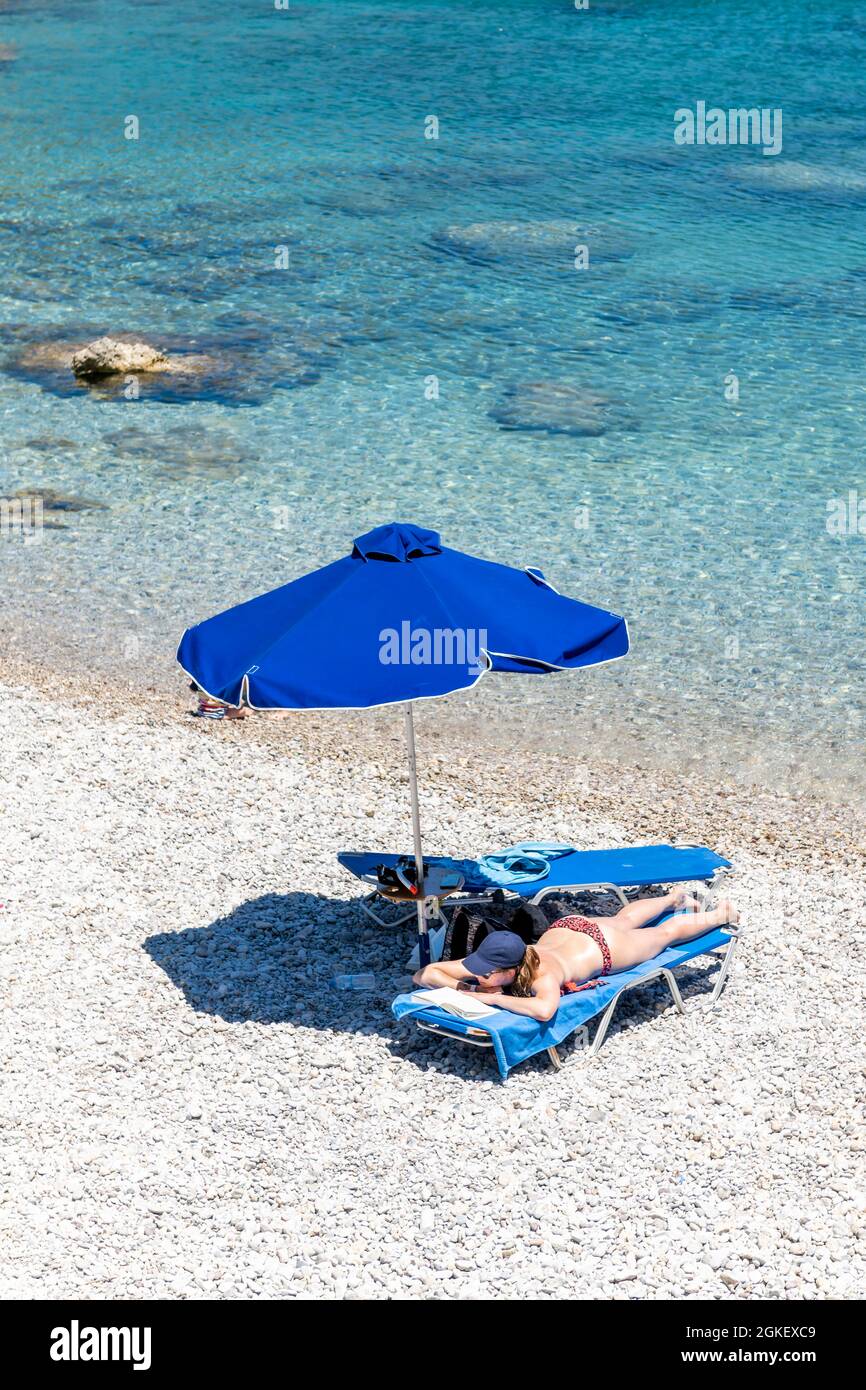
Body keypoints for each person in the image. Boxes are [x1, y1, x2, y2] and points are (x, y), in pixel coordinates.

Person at [412, 890, 739, 1021]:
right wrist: (465, 989)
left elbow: (544, 1010)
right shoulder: (496, 963)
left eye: (485, 974)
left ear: (511, 971)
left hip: (604, 947)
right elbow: (425, 975)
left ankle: (719, 915)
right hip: (569, 927)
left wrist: (493, 1000)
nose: (479, 976)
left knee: (663, 935)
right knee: (624, 918)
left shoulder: (544, 975)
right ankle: (671, 898)